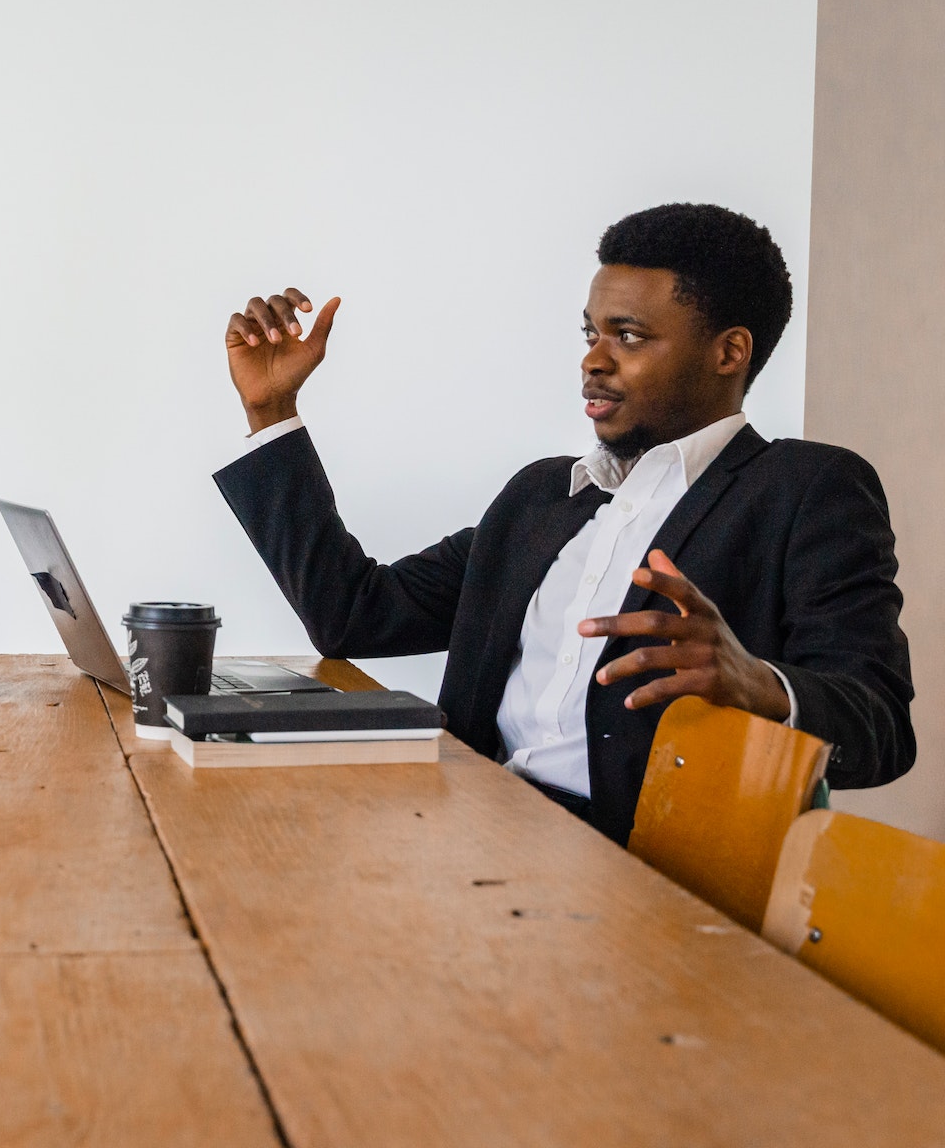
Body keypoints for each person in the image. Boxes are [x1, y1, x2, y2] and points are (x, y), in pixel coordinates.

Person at [214, 203, 914, 843]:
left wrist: (757, 682)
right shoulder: (544, 496)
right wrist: (271, 412)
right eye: (591, 332)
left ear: (728, 352)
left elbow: (880, 726)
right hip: (467, 826)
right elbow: (355, 615)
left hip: (642, 874)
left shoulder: (804, 490)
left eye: (628, 336)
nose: (593, 360)